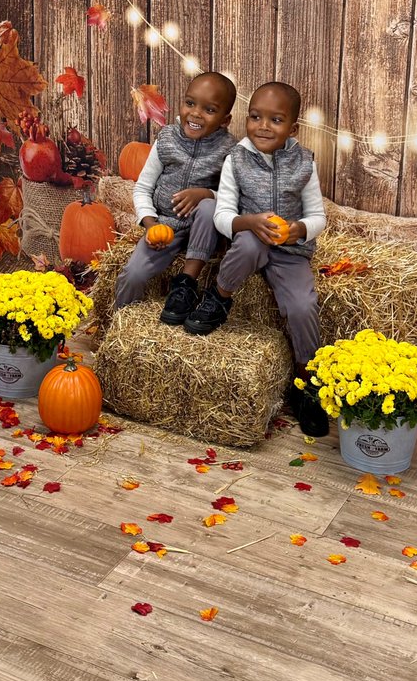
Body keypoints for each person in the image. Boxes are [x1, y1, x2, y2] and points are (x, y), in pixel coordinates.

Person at [183, 81, 328, 438]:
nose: (263, 126)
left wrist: (298, 230)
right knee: (249, 245)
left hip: (289, 251)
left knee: (302, 306)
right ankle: (218, 297)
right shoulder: (236, 159)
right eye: (255, 117)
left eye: (275, 120)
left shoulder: (304, 161)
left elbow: (319, 216)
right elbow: (222, 215)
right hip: (249, 238)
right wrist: (249, 223)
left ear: (292, 129)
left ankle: (306, 381)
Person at [113, 71, 236, 325]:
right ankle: (120, 326)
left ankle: (186, 283)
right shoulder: (167, 139)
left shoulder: (230, 150)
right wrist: (151, 224)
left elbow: (233, 197)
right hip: (166, 226)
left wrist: (205, 193)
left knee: (209, 206)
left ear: (225, 120)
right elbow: (143, 188)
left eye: (209, 110)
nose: (196, 113)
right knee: (132, 274)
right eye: (190, 103)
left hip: (206, 229)